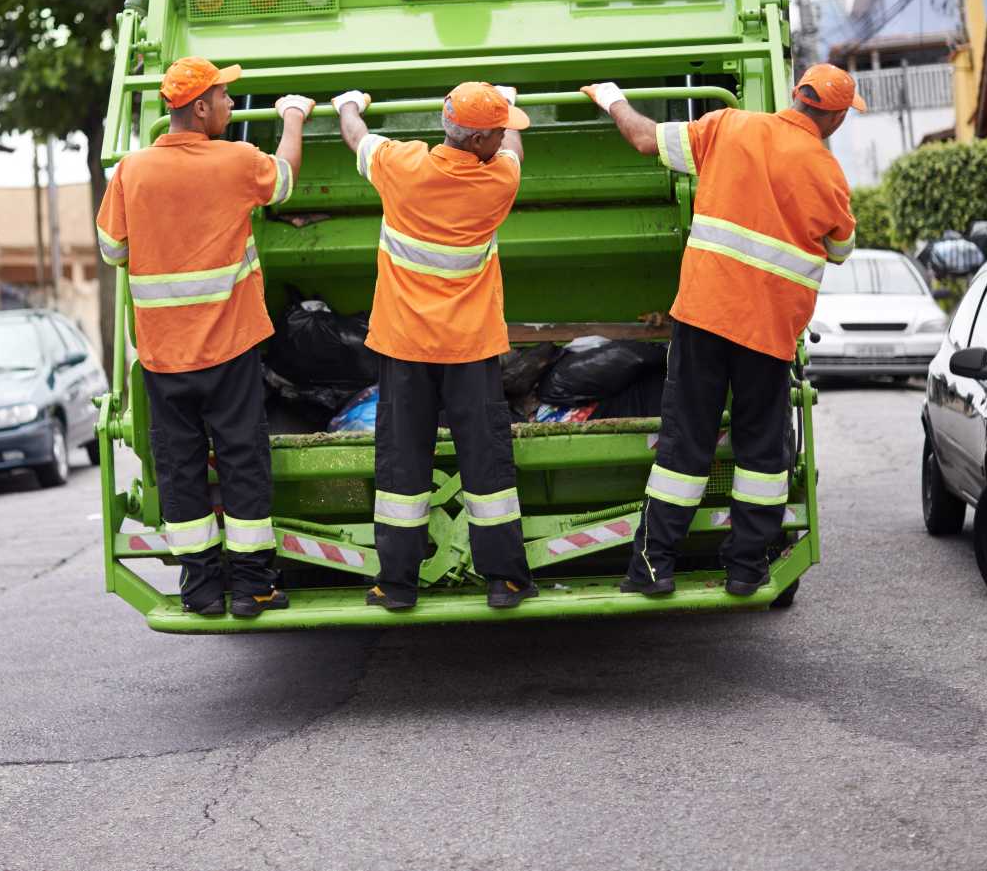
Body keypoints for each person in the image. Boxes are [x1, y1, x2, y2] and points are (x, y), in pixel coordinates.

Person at [580, 64, 860, 597]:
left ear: (798, 96)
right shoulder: (829, 174)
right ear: (838, 116)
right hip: (769, 334)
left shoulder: (728, 126)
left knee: (685, 443)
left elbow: (643, 139)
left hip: (704, 318)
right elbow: (841, 250)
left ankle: (652, 567)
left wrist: (612, 97)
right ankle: (746, 569)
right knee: (761, 455)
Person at [96, 57, 314, 618]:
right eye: (223, 97)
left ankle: (199, 588)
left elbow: (113, 251)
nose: (231, 105)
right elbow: (284, 180)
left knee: (181, 465)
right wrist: (292, 118)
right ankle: (252, 586)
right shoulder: (235, 161)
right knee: (242, 460)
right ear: (199, 107)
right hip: (230, 346)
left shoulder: (131, 170)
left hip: (164, 354)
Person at [332, 82, 540, 610]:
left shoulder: (401, 167)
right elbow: (514, 149)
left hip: (403, 346)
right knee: (486, 464)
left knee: (401, 465)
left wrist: (348, 105)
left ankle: (397, 584)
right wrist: (509, 111)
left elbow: (356, 138)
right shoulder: (497, 183)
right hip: (469, 350)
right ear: (482, 142)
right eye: (497, 129)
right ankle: (505, 580)